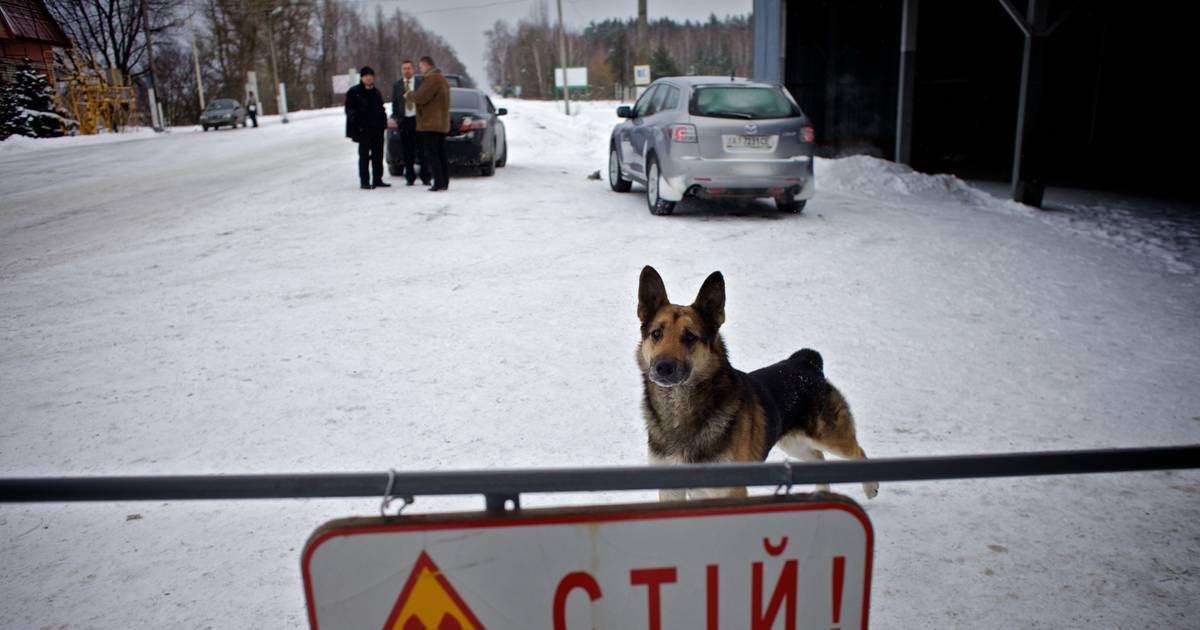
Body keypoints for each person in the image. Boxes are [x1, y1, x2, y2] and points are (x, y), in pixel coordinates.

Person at [406, 55, 450, 192]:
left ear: (427, 65)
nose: (420, 69)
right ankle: (444, 181)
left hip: (431, 123)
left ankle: (438, 182)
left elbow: (421, 97)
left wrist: (410, 94)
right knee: (441, 153)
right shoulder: (442, 79)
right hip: (440, 123)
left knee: (433, 154)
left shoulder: (432, 79)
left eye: (421, 66)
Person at [344, 66, 390, 189]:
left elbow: (381, 109)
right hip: (363, 130)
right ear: (362, 77)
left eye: (371, 75)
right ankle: (364, 181)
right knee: (364, 156)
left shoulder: (376, 92)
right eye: (366, 76)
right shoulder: (354, 92)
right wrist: (357, 124)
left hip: (377, 130)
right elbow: (349, 110)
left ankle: (377, 179)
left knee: (378, 155)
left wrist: (383, 124)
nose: (369, 78)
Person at [389, 60, 429, 186]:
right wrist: (398, 119)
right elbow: (395, 104)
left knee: (422, 150)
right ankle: (410, 177)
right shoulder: (397, 86)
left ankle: (425, 176)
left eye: (409, 68)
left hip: (418, 121)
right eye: (404, 68)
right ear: (401, 70)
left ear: (413, 70)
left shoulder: (420, 83)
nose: (407, 70)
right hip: (404, 121)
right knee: (407, 151)